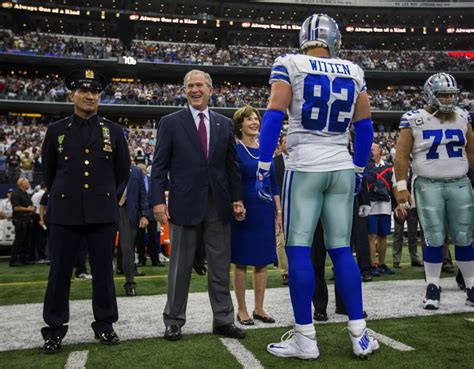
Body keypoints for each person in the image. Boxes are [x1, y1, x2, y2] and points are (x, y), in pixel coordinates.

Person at [256, 14, 378, 359]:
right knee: (342, 250)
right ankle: (359, 333)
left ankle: (305, 338)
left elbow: (275, 113)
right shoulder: (353, 71)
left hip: (305, 164)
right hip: (341, 163)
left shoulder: (290, 63)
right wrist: (357, 168)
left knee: (298, 249)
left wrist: (264, 164)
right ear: (334, 39)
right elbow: (365, 127)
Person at [40, 69, 131, 354]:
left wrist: (105, 198)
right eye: (83, 91)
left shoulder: (114, 131)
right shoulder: (56, 131)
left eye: (94, 92)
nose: (90, 96)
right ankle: (54, 330)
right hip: (64, 212)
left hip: (102, 213)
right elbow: (49, 172)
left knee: (103, 273)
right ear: (72, 95)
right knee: (59, 273)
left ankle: (105, 325)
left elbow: (122, 173)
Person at [151, 69, 246, 341]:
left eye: (200, 85)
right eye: (190, 86)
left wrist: (237, 198)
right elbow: (159, 167)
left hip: (219, 204)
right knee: (179, 268)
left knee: (219, 266)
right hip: (184, 204)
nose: (195, 90)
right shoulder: (170, 122)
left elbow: (232, 166)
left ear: (210, 90)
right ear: (184, 91)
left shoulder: (223, 123)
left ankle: (223, 319)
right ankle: (173, 320)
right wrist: (157, 200)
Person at [394, 72, 474, 309]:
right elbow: (401, 156)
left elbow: (471, 152)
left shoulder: (462, 116)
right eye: (443, 94)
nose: (449, 99)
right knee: (434, 236)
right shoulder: (413, 119)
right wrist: (401, 186)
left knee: (464, 236)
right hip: (428, 183)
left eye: (452, 94)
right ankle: (433, 286)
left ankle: (471, 285)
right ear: (430, 95)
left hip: (459, 182)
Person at [231, 105, 280, 326]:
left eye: (256, 118)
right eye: (249, 118)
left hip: (265, 209)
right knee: (241, 261)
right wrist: (236, 203)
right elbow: (232, 179)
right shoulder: (235, 149)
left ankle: (259, 308)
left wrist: (278, 213)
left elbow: (274, 183)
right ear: (239, 124)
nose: (254, 121)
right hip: (243, 209)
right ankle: (241, 309)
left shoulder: (266, 149)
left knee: (262, 261)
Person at [117, 164, 149, 296]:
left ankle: (130, 283)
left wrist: (144, 214)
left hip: (128, 212)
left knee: (127, 248)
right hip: (109, 210)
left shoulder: (136, 171)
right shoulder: (110, 166)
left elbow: (142, 193)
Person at [366, 143, 395, 275]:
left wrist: (397, 205)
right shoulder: (366, 167)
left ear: (379, 151)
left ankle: (382, 263)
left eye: (373, 149)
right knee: (371, 236)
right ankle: (372, 265)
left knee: (383, 235)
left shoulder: (389, 167)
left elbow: (393, 186)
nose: (371, 152)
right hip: (370, 205)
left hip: (385, 206)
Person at [135, 163, 164, 267]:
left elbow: (155, 194)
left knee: (153, 237)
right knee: (140, 238)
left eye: (143, 169)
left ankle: (155, 260)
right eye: (140, 170)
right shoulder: (135, 181)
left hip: (151, 212)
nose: (142, 171)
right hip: (140, 214)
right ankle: (141, 260)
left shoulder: (151, 181)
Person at [9, 177, 35, 266]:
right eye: (27, 183)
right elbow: (16, 208)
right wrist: (29, 209)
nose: (28, 184)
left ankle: (24, 259)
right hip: (20, 220)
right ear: (21, 184)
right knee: (19, 241)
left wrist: (32, 208)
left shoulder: (26, 194)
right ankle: (13, 260)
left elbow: (31, 204)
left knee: (26, 241)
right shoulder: (16, 194)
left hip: (27, 219)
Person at [274, 134, 289, 285]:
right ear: (280, 145)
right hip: (280, 206)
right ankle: (285, 272)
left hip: (298, 204)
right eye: (285, 141)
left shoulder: (299, 161)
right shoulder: (275, 162)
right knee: (281, 240)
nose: (288, 144)